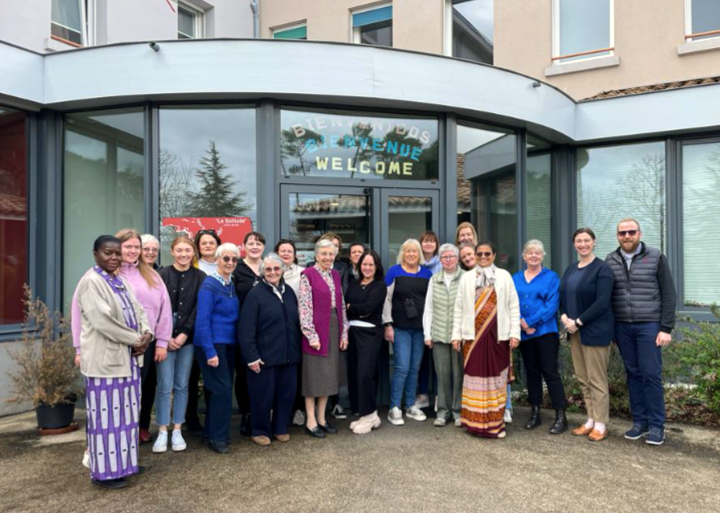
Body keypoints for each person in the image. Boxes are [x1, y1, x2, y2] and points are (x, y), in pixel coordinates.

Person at [75, 235, 153, 489]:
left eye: (117, 253)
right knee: (106, 420)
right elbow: (103, 321)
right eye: (108, 253)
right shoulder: (91, 282)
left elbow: (139, 310)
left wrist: (147, 333)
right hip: (106, 363)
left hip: (128, 361)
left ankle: (125, 465)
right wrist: (135, 339)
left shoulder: (119, 281)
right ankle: (105, 473)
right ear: (96, 254)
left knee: (127, 417)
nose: (114, 258)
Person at [605, 218, 677, 446]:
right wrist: (611, 330)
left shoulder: (655, 256)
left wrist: (665, 327)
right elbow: (607, 297)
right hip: (623, 326)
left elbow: (669, 293)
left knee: (651, 375)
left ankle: (657, 426)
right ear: (617, 236)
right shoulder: (611, 260)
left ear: (639, 233)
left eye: (631, 232)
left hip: (649, 325)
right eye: (622, 233)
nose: (627, 236)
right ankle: (640, 422)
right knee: (633, 374)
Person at [451, 241, 520, 439]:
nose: (482, 257)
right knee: (474, 379)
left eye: (487, 254)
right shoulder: (466, 278)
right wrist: (456, 335)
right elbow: (459, 308)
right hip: (472, 338)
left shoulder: (504, 276)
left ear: (494, 255)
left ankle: (495, 424)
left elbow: (513, 305)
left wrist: (515, 333)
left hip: (498, 337)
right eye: (479, 254)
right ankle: (474, 424)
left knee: (496, 381)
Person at [116, 228, 173, 445]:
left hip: (147, 343)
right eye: (128, 246)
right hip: (117, 342)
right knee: (122, 390)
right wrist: (79, 348)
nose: (133, 251)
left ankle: (141, 427)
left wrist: (162, 342)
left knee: (145, 387)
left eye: (136, 247)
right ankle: (121, 430)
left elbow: (165, 310)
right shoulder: (109, 272)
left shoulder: (151, 274)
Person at [240, 253, 302, 446]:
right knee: (262, 397)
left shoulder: (289, 292)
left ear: (282, 270)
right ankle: (260, 430)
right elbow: (246, 328)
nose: (273, 272)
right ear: (262, 272)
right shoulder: (255, 294)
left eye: (276, 268)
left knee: (286, 395)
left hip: (289, 355)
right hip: (264, 357)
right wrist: (252, 357)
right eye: (268, 269)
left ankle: (280, 428)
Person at [560, 228, 615, 443]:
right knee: (583, 379)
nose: (582, 244)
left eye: (586, 240)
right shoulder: (571, 269)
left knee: (596, 380)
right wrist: (564, 317)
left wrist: (578, 322)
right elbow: (563, 296)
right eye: (579, 241)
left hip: (594, 332)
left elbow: (602, 302)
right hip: (574, 333)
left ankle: (601, 425)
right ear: (574, 244)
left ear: (594, 242)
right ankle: (591, 420)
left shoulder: (603, 269)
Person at [154, 236, 206, 453]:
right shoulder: (161, 275)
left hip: (188, 338)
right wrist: (164, 337)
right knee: (165, 386)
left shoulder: (200, 276)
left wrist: (185, 333)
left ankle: (177, 429)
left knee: (182, 384)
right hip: (164, 337)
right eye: (179, 250)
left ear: (193, 253)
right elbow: (156, 307)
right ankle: (162, 430)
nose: (184, 254)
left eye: (188, 251)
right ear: (172, 252)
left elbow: (198, 308)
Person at [512, 240, 567, 435]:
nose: (533, 256)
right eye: (530, 253)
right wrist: (520, 321)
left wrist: (530, 322)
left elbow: (552, 305)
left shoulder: (551, 277)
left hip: (545, 332)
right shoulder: (516, 278)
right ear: (524, 256)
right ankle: (535, 412)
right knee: (532, 373)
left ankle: (561, 415)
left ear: (542, 256)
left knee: (550, 372)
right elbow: (510, 301)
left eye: (537, 253)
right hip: (524, 334)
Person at [298, 239, 349, 438]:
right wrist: (310, 334)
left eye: (331, 254)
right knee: (313, 376)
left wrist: (344, 331)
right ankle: (311, 420)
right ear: (316, 255)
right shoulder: (307, 275)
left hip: (334, 325)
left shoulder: (335, 274)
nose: (328, 257)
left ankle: (322, 418)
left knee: (328, 376)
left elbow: (342, 304)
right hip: (316, 330)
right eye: (324, 254)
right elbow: (304, 307)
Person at [194, 243, 240, 454]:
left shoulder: (230, 284)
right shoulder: (209, 285)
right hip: (212, 345)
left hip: (228, 345)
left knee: (218, 391)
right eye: (226, 259)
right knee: (222, 391)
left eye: (234, 259)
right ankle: (218, 438)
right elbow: (202, 321)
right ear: (218, 260)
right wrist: (210, 351)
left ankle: (208, 433)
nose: (230, 263)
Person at [383, 239, 433, 426]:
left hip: (420, 330)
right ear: (402, 253)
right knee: (402, 367)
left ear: (419, 253)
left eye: (414, 251)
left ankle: (410, 405)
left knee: (414, 368)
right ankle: (394, 407)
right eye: (408, 251)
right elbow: (386, 299)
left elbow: (431, 302)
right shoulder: (394, 272)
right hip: (400, 327)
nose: (411, 254)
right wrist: (387, 324)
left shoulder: (427, 274)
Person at [422, 243, 465, 427]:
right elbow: (428, 309)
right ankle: (442, 412)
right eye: (444, 257)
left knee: (458, 375)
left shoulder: (466, 278)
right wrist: (427, 334)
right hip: (439, 334)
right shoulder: (434, 279)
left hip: (459, 336)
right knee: (442, 374)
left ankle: (458, 411)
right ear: (440, 260)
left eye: (451, 256)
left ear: (458, 259)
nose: (448, 260)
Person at [345, 249, 387, 434]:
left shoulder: (379, 286)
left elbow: (369, 308)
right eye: (364, 264)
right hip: (352, 332)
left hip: (370, 334)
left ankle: (370, 414)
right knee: (354, 373)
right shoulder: (354, 284)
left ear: (376, 266)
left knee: (365, 373)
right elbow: (349, 307)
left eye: (371, 264)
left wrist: (351, 307)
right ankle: (366, 415)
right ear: (359, 266)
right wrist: (355, 309)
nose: (367, 268)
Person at [233, 231, 265, 436]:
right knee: (244, 373)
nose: (255, 246)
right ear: (243, 245)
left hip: (267, 330)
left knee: (264, 373)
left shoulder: (269, 266)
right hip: (243, 329)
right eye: (250, 243)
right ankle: (247, 413)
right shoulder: (237, 268)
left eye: (259, 243)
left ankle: (262, 413)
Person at [274, 238, 306, 426]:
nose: (285, 254)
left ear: (294, 255)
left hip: (297, 328)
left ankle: (298, 409)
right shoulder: (269, 271)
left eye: (289, 251)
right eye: (282, 250)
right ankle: (278, 412)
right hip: (276, 330)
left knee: (297, 371)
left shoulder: (302, 274)